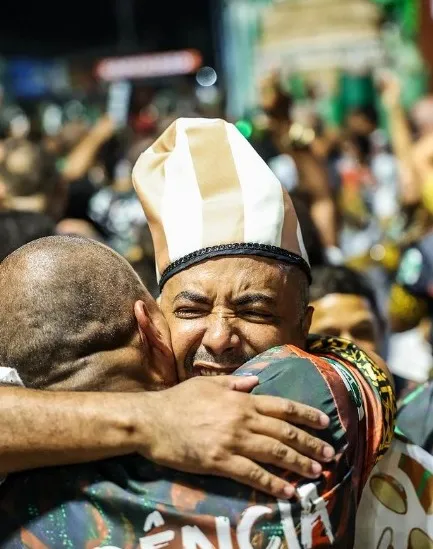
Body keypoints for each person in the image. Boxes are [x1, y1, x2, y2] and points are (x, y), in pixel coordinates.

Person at [0, 235, 389, 548]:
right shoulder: (312, 388)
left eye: (256, 312)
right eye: (191, 311)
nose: (219, 339)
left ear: (304, 327)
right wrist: (152, 418)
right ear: (153, 320)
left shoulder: (18, 503)